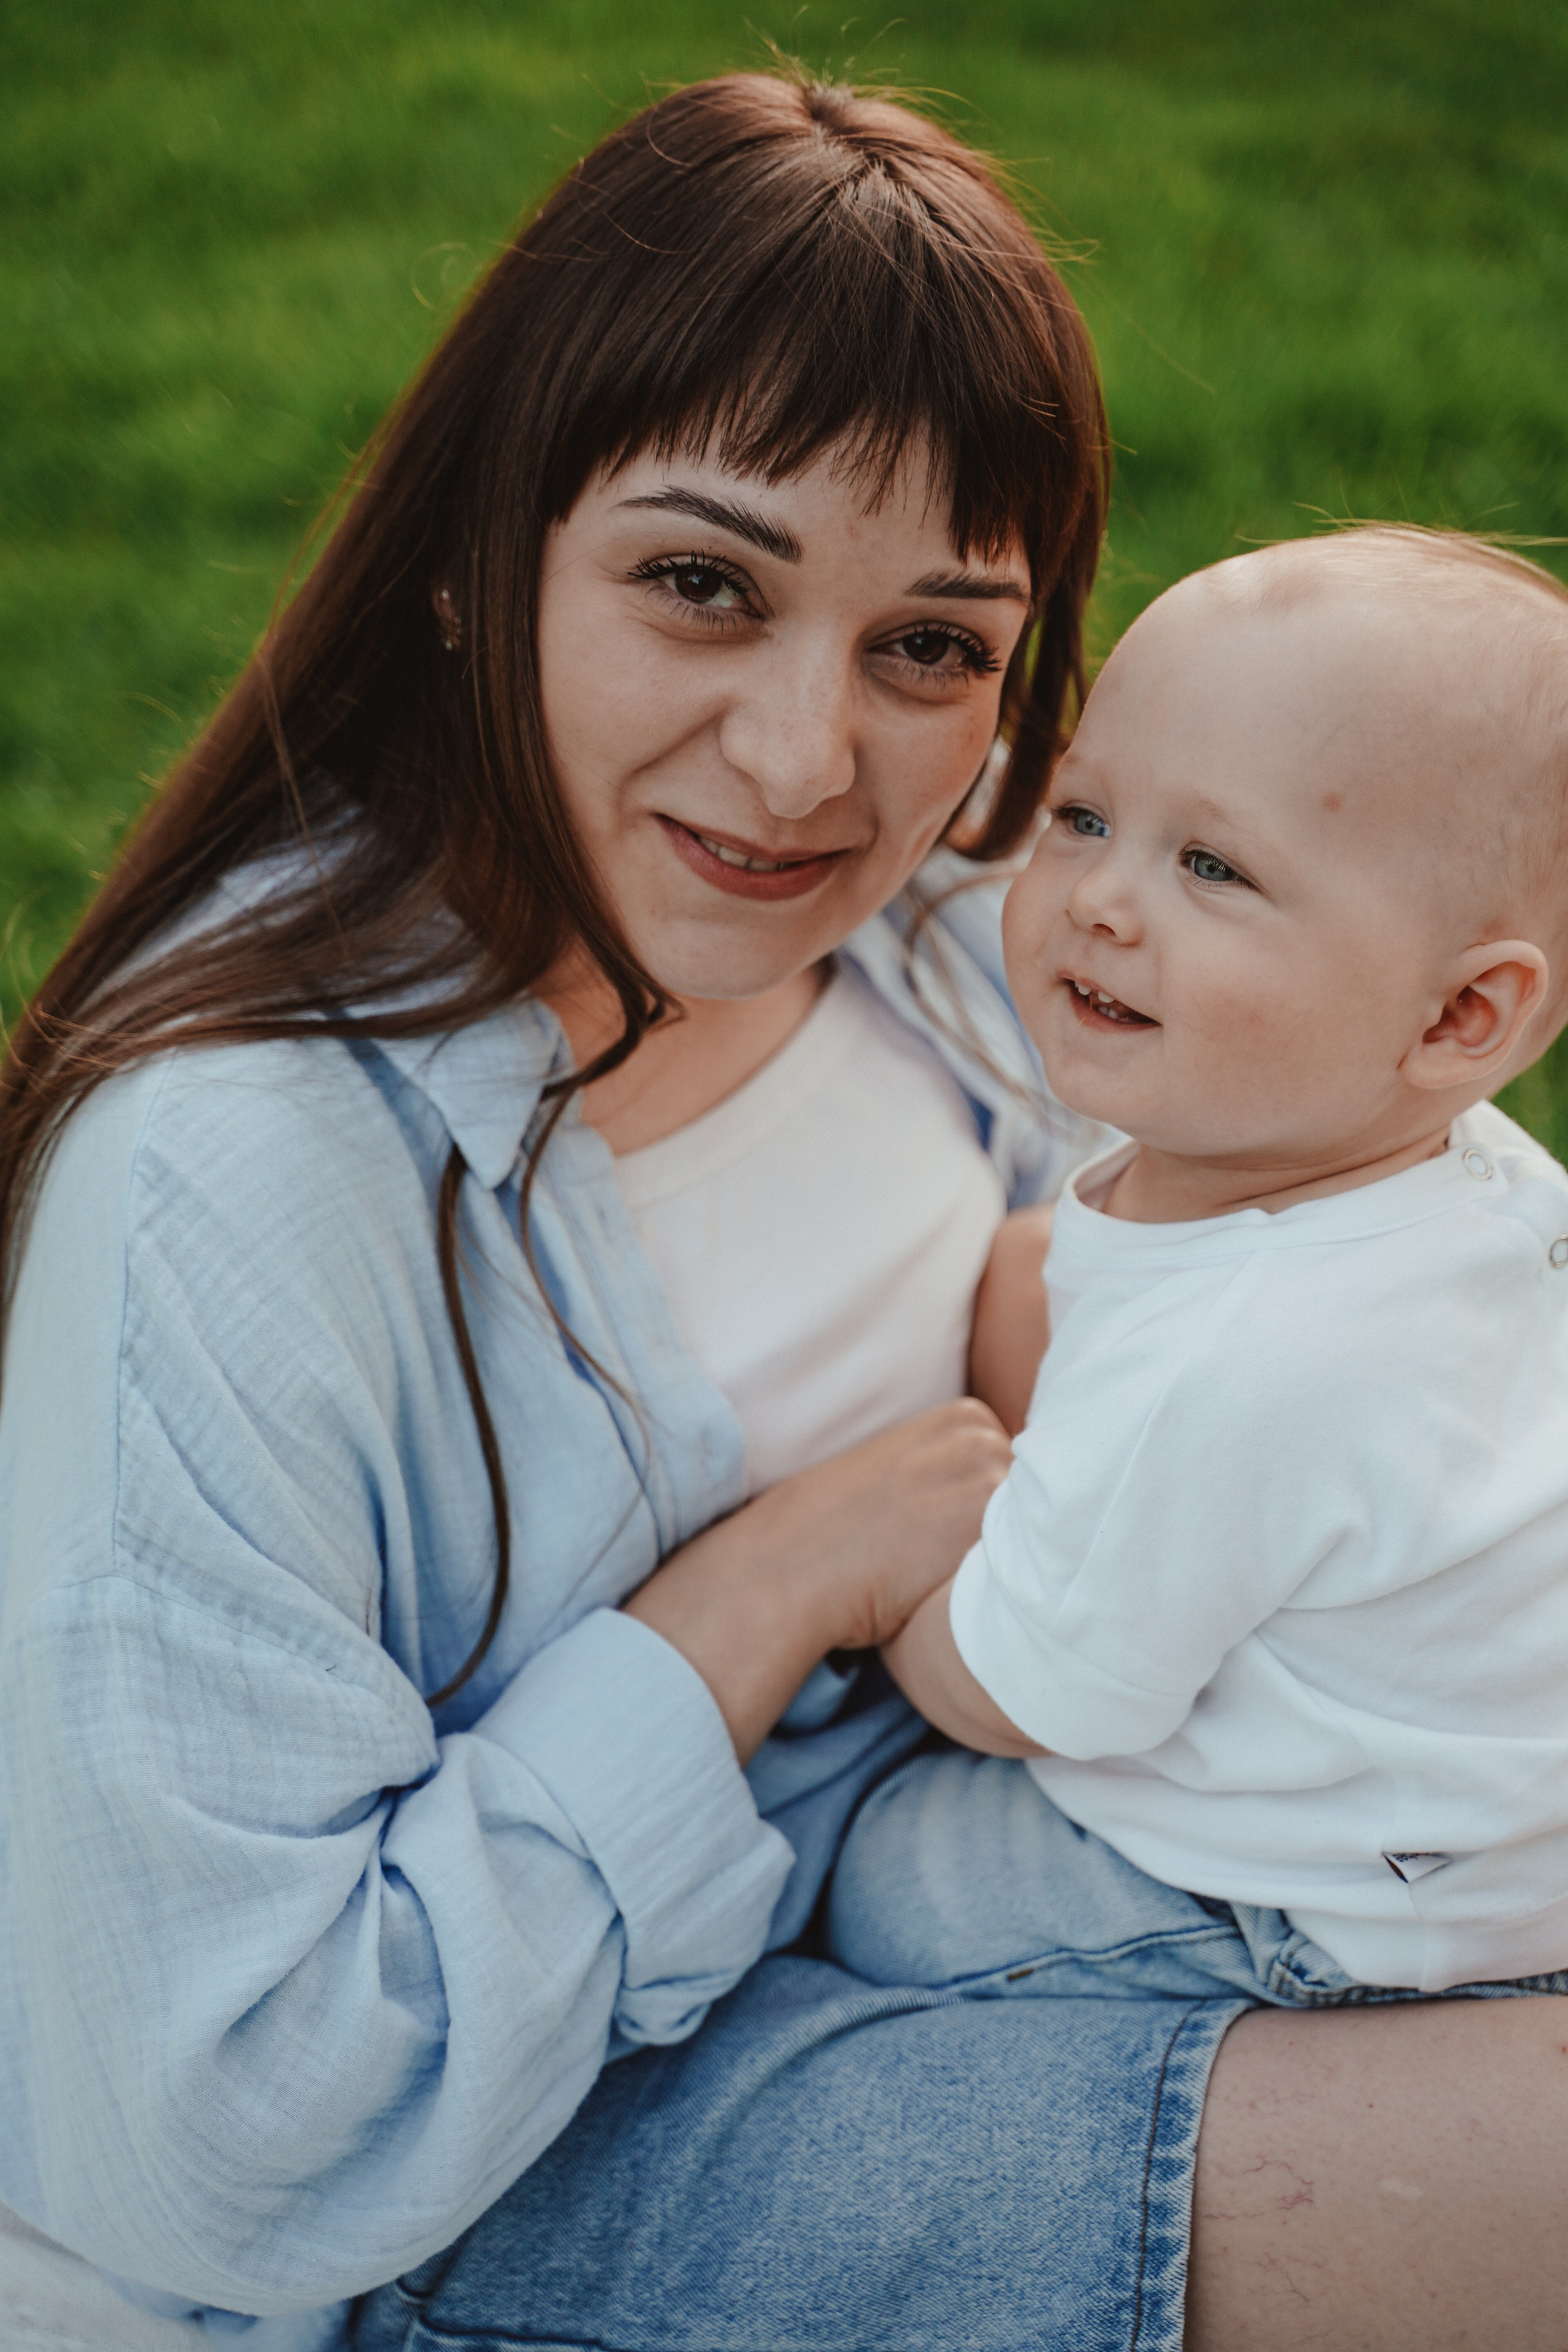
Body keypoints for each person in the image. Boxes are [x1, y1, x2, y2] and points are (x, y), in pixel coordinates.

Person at [2, 72, 1568, 2352]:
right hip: (502, 2163)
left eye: (932, 644)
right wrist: (764, 1594)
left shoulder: (970, 936)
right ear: (474, 556)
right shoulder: (236, 1195)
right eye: (699, 587)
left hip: (1036, 1898)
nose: (803, 764)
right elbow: (218, 2133)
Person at [829, 526, 1568, 2014]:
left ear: (1456, 1015)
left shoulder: (1237, 1358)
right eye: (1085, 816)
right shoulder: (1460, 1176)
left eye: (1213, 866)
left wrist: (889, 1584)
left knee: (886, 1881)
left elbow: (1025, 1695)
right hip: (1485, 1797)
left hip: (1345, 1901)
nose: (1102, 900)